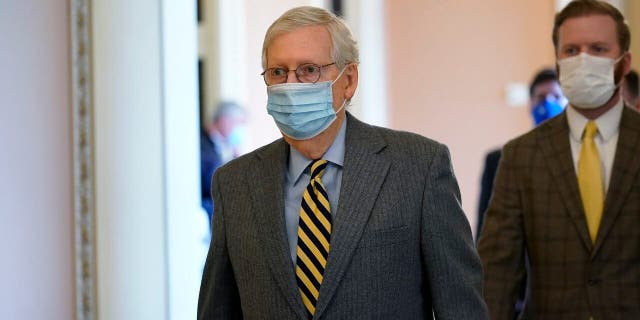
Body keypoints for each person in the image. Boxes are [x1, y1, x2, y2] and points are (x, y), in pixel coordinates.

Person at [198, 6, 488, 319]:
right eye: (278, 72)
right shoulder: (235, 183)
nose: (290, 86)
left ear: (348, 80)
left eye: (308, 70)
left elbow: (461, 308)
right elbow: (218, 309)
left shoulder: (419, 167)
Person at [478, 1, 640, 319]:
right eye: (571, 50)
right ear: (558, 61)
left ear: (623, 64)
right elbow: (496, 276)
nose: (583, 60)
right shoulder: (521, 155)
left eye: (598, 48)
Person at [477, 68, 566, 238]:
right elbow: (484, 225)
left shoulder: (581, 158)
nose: (548, 103)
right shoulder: (498, 159)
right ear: (530, 104)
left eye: (556, 97)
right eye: (540, 97)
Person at [200, 101, 246, 226]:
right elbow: (217, 188)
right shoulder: (202, 147)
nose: (241, 131)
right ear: (224, 121)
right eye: (239, 124)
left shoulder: (223, 147)